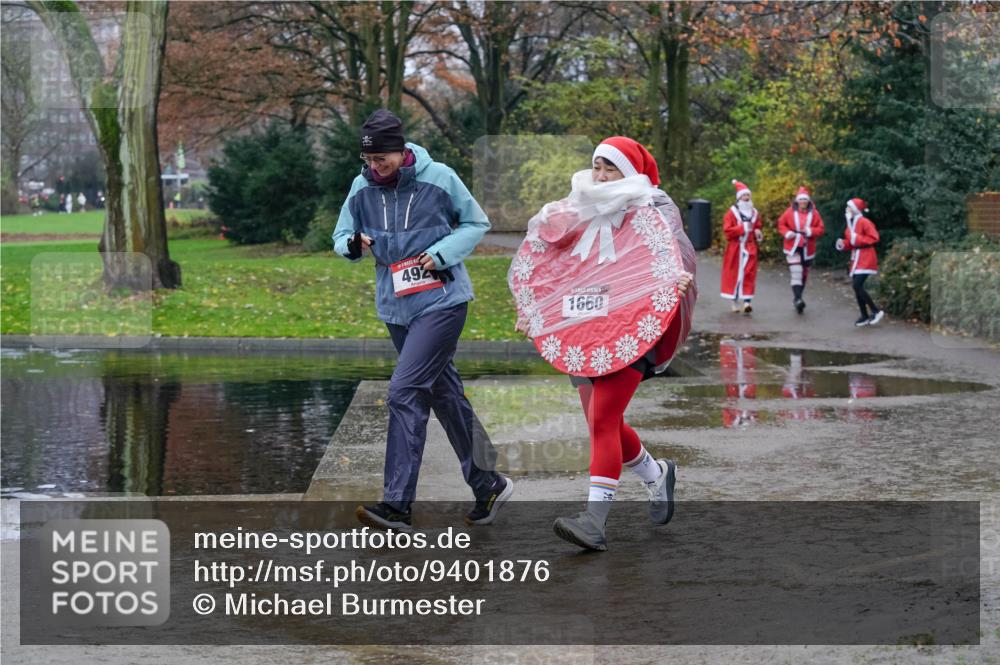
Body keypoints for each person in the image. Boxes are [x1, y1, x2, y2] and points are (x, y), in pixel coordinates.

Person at [513, 136, 696, 551]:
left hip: (633, 329)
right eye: (596, 166)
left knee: (601, 420)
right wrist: (535, 309)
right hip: (582, 328)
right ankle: (655, 474)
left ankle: (593, 521)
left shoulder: (654, 208)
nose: (599, 176)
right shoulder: (575, 208)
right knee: (603, 421)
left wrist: (676, 280)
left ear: (629, 172)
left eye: (609, 168)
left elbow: (673, 255)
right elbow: (550, 266)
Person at [333, 109, 512, 530]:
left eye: (382, 159)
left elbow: (476, 222)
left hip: (442, 300)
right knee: (444, 395)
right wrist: (353, 244)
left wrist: (444, 253)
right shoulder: (361, 186)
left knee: (404, 390)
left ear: (400, 149)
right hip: (395, 306)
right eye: (369, 160)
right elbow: (341, 235)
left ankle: (396, 505)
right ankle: (488, 482)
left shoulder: (440, 177)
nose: (375, 167)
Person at [836, 197, 884, 327]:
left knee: (857, 285)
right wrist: (843, 244)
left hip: (866, 256)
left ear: (855, 210)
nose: (847, 209)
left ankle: (875, 310)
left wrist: (857, 238)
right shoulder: (850, 224)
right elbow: (851, 243)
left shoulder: (864, 222)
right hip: (856, 258)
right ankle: (864, 316)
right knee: (857, 287)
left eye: (849, 207)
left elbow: (874, 238)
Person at [777, 186, 825, 314]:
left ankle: (797, 297)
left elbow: (821, 228)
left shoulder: (814, 213)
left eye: (805, 199)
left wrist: (810, 231)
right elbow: (781, 224)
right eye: (801, 199)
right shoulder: (789, 212)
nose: (803, 202)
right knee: (796, 272)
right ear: (797, 201)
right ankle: (798, 299)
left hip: (808, 246)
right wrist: (787, 233)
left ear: (808, 201)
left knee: (803, 274)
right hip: (792, 244)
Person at [720, 180, 762, 314]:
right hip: (735, 248)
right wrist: (742, 227)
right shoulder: (731, 213)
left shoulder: (754, 213)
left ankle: (747, 302)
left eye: (748, 195)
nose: (747, 198)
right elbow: (727, 231)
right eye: (744, 196)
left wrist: (757, 232)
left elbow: (757, 226)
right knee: (734, 275)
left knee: (749, 274)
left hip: (750, 247)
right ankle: (734, 302)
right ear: (739, 197)